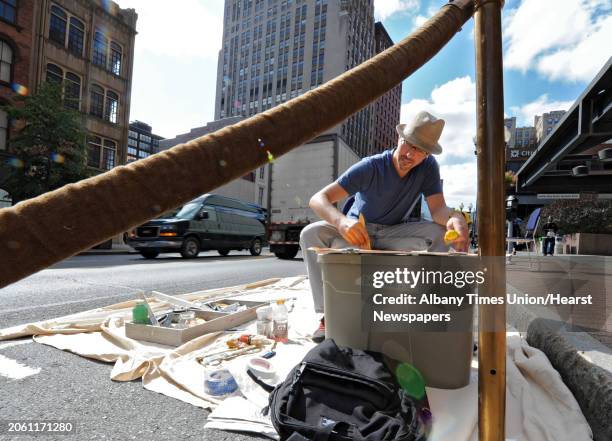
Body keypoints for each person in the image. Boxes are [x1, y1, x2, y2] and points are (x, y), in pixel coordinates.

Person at [300, 111, 469, 342]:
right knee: (310, 233)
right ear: (399, 138)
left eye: (419, 150)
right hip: (358, 232)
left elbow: (438, 209)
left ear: (427, 154)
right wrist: (341, 222)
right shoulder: (371, 166)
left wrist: (456, 219)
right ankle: (327, 314)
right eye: (407, 144)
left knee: (439, 233)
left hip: (393, 232)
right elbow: (318, 199)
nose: (409, 154)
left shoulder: (428, 168)